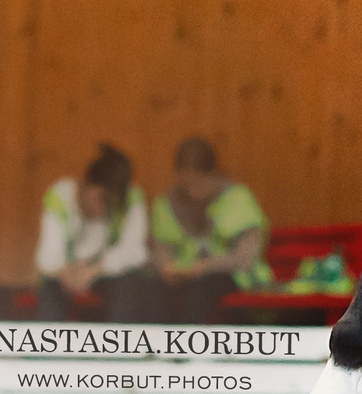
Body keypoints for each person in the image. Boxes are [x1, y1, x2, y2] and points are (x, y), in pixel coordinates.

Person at [148, 137, 272, 323]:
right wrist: (167, 268)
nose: (191, 191)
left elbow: (246, 257)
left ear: (213, 174)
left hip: (231, 279)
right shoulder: (167, 204)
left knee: (204, 290)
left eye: (197, 183)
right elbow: (161, 250)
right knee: (145, 289)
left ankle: (188, 346)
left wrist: (205, 267)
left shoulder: (237, 199)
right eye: (185, 184)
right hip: (180, 281)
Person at [33, 143, 153, 321]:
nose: (103, 211)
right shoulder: (59, 195)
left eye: (111, 205)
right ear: (86, 185)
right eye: (101, 199)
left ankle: (120, 344)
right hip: (66, 274)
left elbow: (136, 252)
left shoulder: (133, 200)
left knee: (131, 282)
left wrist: (95, 270)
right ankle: (50, 345)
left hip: (105, 274)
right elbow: (47, 256)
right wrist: (67, 272)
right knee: (49, 287)